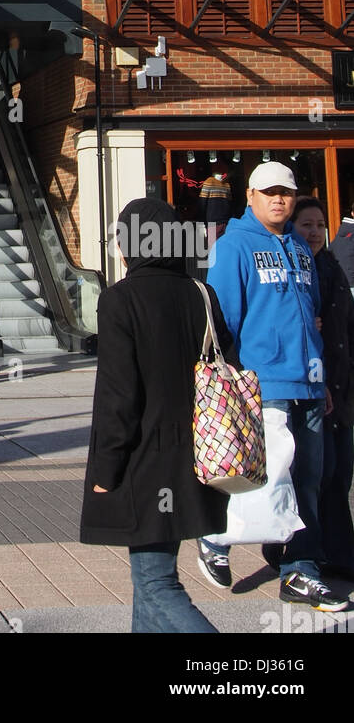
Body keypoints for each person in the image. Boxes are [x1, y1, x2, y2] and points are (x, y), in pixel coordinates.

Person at [198, 162, 349, 611]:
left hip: (308, 381)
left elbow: (311, 315)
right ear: (251, 196)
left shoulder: (302, 249)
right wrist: (234, 378)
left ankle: (301, 570)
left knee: (309, 479)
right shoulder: (234, 247)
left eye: (286, 192)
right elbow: (223, 316)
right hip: (263, 381)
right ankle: (216, 538)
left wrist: (320, 377)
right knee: (259, 474)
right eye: (270, 192)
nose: (279, 199)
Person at [81, 197, 235, 633]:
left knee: (156, 583)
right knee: (148, 581)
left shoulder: (119, 301)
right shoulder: (201, 295)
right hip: (200, 455)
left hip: (144, 462)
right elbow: (229, 364)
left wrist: (106, 470)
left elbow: (118, 395)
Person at [291, 196, 354, 579]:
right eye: (306, 225)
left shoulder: (332, 264)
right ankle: (308, 551)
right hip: (312, 387)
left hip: (342, 387)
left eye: (318, 225)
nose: (314, 232)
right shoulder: (296, 271)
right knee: (320, 474)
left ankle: (338, 552)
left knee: (340, 474)